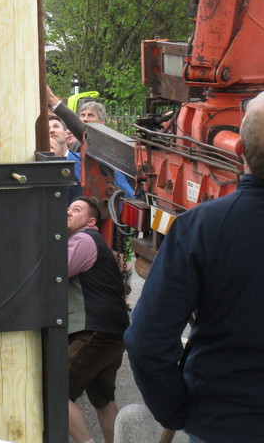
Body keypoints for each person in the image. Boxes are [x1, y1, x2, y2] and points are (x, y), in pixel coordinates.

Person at [124, 91, 264, 443]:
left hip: (224, 424)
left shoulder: (200, 228)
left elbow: (146, 342)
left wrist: (178, 411)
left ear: (239, 150)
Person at [65, 197, 128, 443]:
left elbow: (55, 272)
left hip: (94, 331)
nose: (68, 212)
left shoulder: (83, 239)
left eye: (76, 210)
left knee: (54, 390)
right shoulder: (94, 242)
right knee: (103, 399)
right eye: (68, 208)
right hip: (113, 333)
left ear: (91, 221)